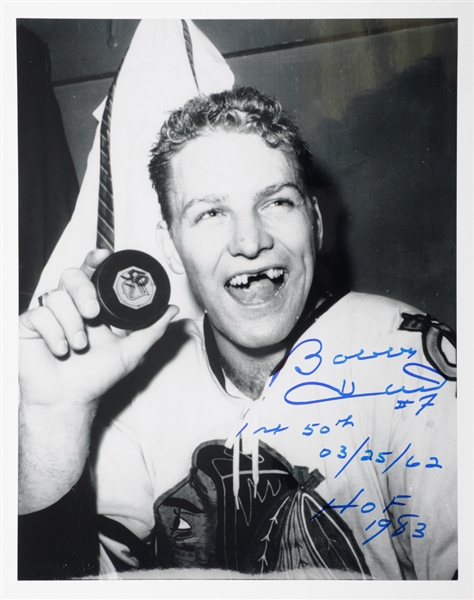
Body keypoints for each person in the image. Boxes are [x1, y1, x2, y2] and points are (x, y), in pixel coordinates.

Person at [18, 87, 457, 580]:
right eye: (210, 212)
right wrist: (54, 416)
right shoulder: (135, 391)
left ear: (313, 219)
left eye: (277, 202)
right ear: (169, 244)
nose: (250, 241)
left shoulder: (408, 359)